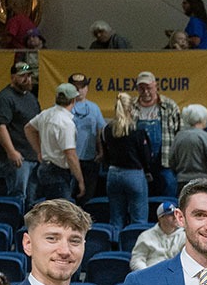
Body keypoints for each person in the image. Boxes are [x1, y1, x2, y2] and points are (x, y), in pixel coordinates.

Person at [100, 93, 156, 228]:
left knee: (116, 218)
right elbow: (146, 156)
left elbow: (105, 155)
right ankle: (136, 246)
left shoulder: (107, 129)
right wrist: (148, 170)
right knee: (139, 218)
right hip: (134, 175)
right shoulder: (138, 130)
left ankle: (115, 246)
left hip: (113, 175)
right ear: (131, 109)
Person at [0, 60, 41, 207]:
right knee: (18, 197)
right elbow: (0, 127)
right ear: (13, 77)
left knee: (31, 201)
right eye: (23, 76)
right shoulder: (4, 98)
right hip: (18, 159)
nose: (27, 79)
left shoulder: (31, 97)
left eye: (29, 76)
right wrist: (11, 151)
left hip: (32, 156)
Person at [27, 83, 87, 203]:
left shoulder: (46, 114)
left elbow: (28, 128)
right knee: (61, 213)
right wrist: (80, 180)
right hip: (58, 172)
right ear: (74, 100)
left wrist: (39, 151)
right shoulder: (66, 123)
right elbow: (70, 154)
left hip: (45, 167)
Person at [135, 72, 186, 197]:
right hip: (138, 165)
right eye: (142, 88)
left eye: (149, 88)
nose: (146, 92)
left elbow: (180, 135)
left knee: (169, 196)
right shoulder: (130, 107)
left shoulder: (169, 106)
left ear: (156, 86)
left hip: (165, 162)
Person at [132, 201, 189, 270]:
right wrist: (146, 275)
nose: (175, 217)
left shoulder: (185, 236)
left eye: (176, 214)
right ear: (160, 218)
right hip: (153, 274)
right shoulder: (146, 236)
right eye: (171, 215)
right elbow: (136, 260)